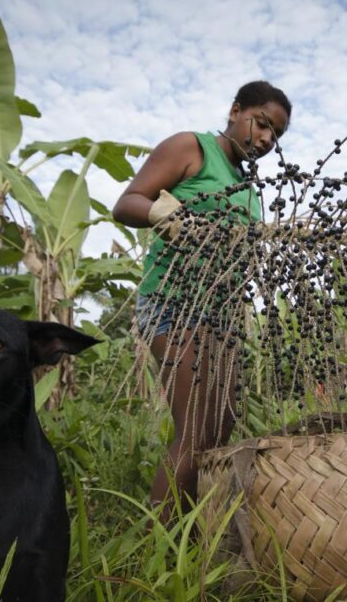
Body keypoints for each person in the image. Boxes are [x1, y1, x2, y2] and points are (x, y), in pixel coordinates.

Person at [112, 81, 291, 520]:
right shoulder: (190, 147)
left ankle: (196, 534)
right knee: (194, 427)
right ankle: (157, 544)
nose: (267, 140)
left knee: (220, 427)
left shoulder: (248, 190)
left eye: (276, 136)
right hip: (174, 305)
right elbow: (127, 203)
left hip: (221, 317)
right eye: (262, 124)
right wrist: (174, 219)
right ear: (235, 111)